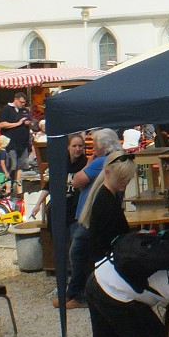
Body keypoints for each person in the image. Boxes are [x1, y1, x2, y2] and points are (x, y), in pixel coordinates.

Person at [58, 129, 122, 308]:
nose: (91, 147)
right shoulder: (117, 159)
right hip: (106, 213)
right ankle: (82, 294)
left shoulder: (99, 161)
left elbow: (77, 181)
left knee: (77, 252)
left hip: (90, 213)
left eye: (93, 144)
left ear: (102, 145)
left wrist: (88, 164)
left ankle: (77, 295)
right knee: (94, 253)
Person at [29, 133, 87, 220]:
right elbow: (49, 185)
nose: (77, 149)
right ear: (68, 147)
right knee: (51, 211)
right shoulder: (60, 163)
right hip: (60, 203)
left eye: (80, 146)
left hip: (76, 205)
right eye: (74, 146)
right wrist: (38, 204)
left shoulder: (86, 163)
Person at [0, 92, 32, 172]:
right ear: (15, 99)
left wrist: (29, 123)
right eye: (21, 102)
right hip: (11, 144)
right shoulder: (6, 109)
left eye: (24, 102)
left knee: (24, 166)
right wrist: (18, 123)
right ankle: (11, 183)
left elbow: (30, 122)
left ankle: (20, 183)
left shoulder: (24, 110)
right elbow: (2, 124)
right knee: (12, 166)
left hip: (23, 144)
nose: (23, 104)